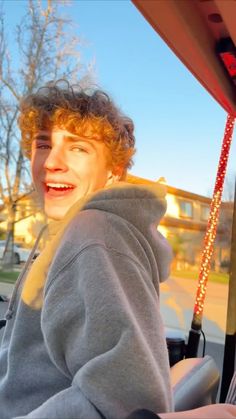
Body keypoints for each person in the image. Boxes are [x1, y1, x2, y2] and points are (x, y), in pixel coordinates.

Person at [0, 80, 235, 419]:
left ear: (114, 170)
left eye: (78, 148)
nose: (52, 161)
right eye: (43, 144)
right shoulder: (63, 232)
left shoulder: (93, 235)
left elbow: (120, 406)